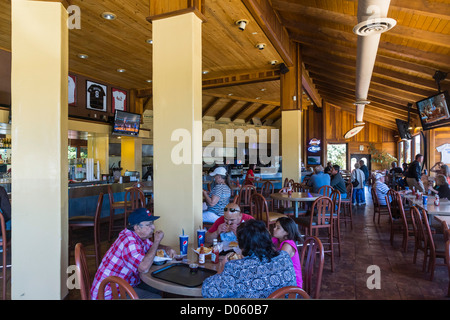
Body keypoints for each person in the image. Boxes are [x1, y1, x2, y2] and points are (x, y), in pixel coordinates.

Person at [90, 208, 176, 300]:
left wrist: (167, 248)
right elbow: (143, 267)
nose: (153, 227)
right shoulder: (129, 241)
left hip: (124, 285)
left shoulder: (139, 237)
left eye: (152, 223)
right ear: (137, 227)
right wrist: (157, 241)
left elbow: (151, 248)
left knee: (158, 288)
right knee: (156, 297)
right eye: (149, 224)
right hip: (110, 294)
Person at [202, 219, 297, 298]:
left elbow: (207, 291)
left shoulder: (235, 268)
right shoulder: (284, 257)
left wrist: (221, 271)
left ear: (242, 245)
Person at [272, 217, 303, 288]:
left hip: (293, 285)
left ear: (286, 232)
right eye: (275, 227)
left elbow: (279, 264)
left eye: (278, 228)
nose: (274, 229)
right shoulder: (276, 240)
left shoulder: (288, 245)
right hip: (282, 277)